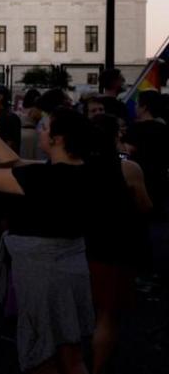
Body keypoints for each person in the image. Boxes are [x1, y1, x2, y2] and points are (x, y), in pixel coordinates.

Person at [0, 104, 97, 374]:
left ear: (58, 139)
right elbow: (16, 163)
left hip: (42, 273)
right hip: (74, 267)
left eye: (44, 128)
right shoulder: (84, 171)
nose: (40, 131)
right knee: (71, 349)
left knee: (42, 351)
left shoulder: (42, 177)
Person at [86, 114, 152, 374]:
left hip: (79, 244)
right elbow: (145, 206)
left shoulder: (76, 165)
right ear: (116, 136)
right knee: (107, 315)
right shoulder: (128, 168)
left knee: (76, 313)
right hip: (114, 248)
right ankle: (98, 368)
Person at [124, 90, 169, 217]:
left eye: (137, 104)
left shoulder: (135, 129)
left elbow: (128, 151)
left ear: (144, 107)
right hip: (160, 178)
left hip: (141, 178)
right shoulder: (164, 129)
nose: (135, 107)